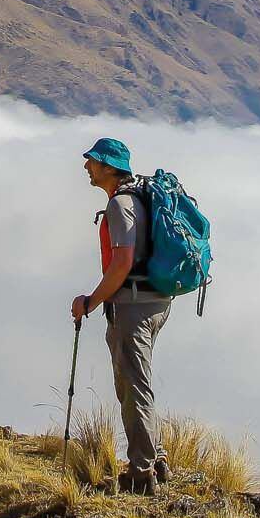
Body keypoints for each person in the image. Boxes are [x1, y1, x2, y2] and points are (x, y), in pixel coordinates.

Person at [70, 137, 172, 493]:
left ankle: (141, 473)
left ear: (110, 168)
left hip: (133, 306)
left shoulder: (121, 205)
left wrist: (92, 300)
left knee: (133, 386)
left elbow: (122, 262)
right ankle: (154, 457)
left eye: (93, 161)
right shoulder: (141, 199)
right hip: (154, 301)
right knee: (136, 383)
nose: (87, 166)